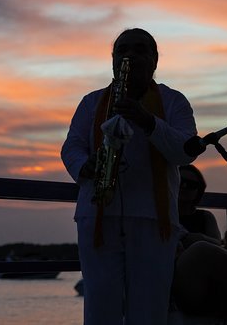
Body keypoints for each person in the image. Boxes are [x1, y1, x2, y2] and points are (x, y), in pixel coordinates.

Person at [61, 27, 198, 325]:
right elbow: (71, 147)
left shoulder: (174, 102)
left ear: (155, 59)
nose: (130, 55)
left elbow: (185, 151)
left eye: (139, 49)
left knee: (149, 311)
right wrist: (86, 165)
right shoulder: (90, 102)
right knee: (99, 310)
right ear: (112, 60)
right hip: (98, 216)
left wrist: (147, 121)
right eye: (122, 50)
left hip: (152, 220)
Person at [178, 164, 221, 241]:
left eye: (191, 185)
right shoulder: (161, 215)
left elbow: (217, 243)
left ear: (199, 190)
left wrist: (200, 238)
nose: (184, 186)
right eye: (180, 181)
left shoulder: (206, 217)